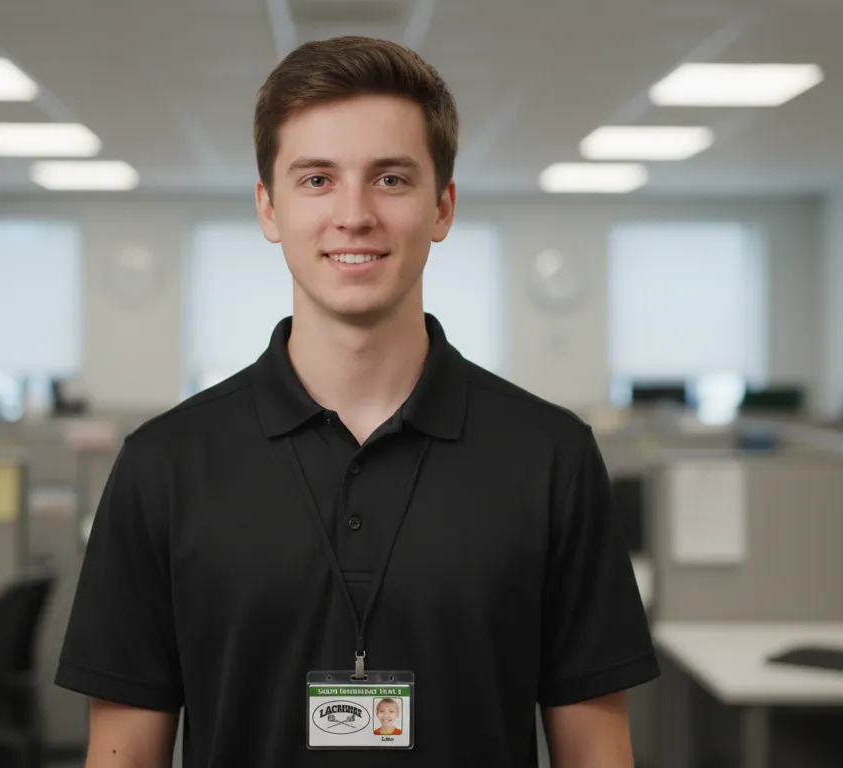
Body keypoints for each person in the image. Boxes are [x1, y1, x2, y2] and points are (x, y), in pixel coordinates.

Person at [55, 34, 658, 767]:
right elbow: (121, 756)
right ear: (268, 209)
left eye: (391, 179)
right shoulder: (163, 466)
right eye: (316, 179)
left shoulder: (552, 457)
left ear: (442, 207)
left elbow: (598, 753)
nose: (354, 214)